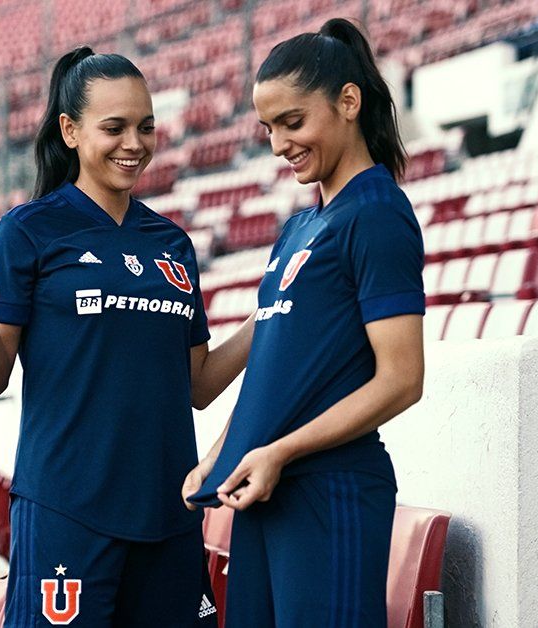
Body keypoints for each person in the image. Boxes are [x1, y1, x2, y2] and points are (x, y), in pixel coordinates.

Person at [0, 47, 252, 627]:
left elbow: (198, 385)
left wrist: (269, 317)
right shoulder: (28, 232)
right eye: (114, 128)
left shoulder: (172, 243)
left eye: (145, 127)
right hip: (68, 513)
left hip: (170, 513)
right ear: (70, 130)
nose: (134, 143)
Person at [183, 18, 426, 627]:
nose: (278, 145)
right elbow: (275, 369)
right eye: (268, 128)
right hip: (270, 493)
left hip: (330, 492)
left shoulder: (377, 215)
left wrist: (280, 451)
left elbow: (402, 380)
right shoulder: (299, 227)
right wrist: (220, 455)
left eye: (292, 122)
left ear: (349, 102)